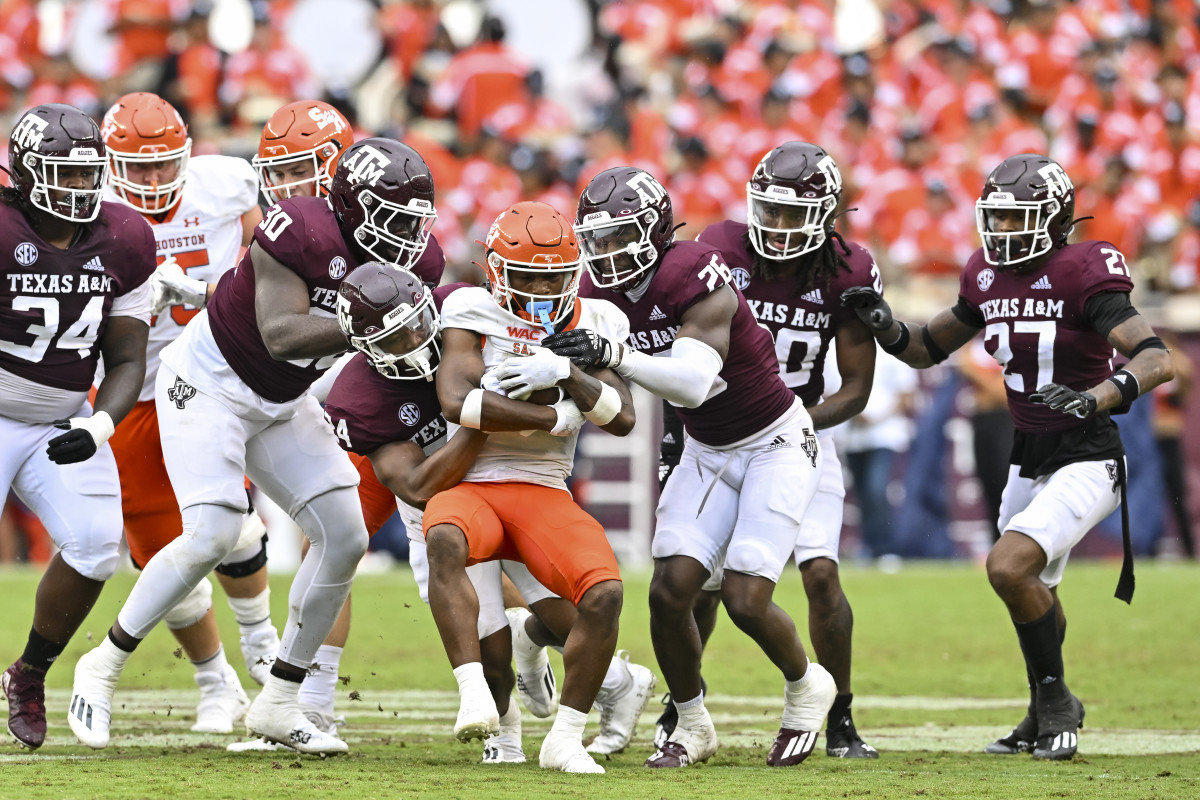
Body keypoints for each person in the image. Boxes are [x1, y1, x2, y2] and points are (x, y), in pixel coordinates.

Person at [66, 137, 441, 755]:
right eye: (395, 215)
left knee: (346, 534)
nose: (409, 235)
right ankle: (101, 665)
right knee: (213, 532)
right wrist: (361, 324)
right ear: (350, 206)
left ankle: (281, 699)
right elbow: (280, 333)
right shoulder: (300, 230)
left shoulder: (420, 262)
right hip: (210, 382)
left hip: (282, 402)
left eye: (416, 219)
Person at [840, 153, 1174, 760]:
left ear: (1053, 220)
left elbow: (1155, 358)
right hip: (1029, 455)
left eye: (1016, 220)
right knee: (1033, 585)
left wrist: (1096, 398)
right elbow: (926, 349)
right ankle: (1041, 708)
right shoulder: (985, 275)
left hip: (1089, 454)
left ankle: (1056, 704)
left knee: (1007, 567)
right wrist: (886, 326)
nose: (1001, 233)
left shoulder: (1082, 270)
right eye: (994, 220)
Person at [543, 167, 836, 768]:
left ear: (652, 230)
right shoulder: (597, 296)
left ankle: (809, 685)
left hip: (775, 441)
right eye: (593, 240)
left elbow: (696, 384)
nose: (604, 254)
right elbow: (600, 379)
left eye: (617, 237)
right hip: (707, 449)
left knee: (746, 595)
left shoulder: (691, 272)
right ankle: (692, 721)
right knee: (670, 592)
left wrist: (618, 355)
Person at [325, 260, 657, 763]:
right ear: (364, 348)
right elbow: (419, 486)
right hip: (440, 512)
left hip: (520, 490)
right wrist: (515, 417)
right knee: (488, 657)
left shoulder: (468, 316)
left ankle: (604, 677)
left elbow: (540, 365)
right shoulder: (361, 395)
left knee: (567, 615)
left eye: (417, 323)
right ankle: (506, 732)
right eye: (393, 338)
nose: (413, 340)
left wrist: (566, 389)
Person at [653, 142, 881, 758]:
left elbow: (856, 389)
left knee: (821, 574)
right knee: (692, 581)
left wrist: (789, 424)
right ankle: (682, 709)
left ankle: (839, 717)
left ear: (828, 214)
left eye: (792, 213)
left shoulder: (850, 269)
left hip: (799, 433)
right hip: (715, 431)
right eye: (769, 211)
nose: (777, 226)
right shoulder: (718, 250)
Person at [426, 201, 638, 773]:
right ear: (497, 270)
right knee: (448, 543)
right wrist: (560, 416)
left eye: (554, 274)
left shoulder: (597, 319)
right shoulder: (471, 308)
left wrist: (569, 372)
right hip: (471, 480)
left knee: (605, 593)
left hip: (544, 487)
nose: (544, 286)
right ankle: (477, 696)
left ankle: (565, 737)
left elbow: (623, 418)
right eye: (529, 274)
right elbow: (458, 402)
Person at [100, 91, 275, 735]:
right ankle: (213, 679)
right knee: (156, 551)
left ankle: (260, 642)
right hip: (132, 391)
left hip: (215, 376)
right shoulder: (90, 207)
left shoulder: (226, 185)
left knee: (233, 527)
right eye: (136, 167)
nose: (150, 179)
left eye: (162, 164)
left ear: (187, 154)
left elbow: (272, 260)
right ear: (111, 163)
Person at [1, 103, 156, 750]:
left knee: (96, 545)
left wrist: (99, 426)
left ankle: (29, 674)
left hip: (62, 413)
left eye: (89, 176)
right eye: (64, 176)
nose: (80, 189)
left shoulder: (126, 237)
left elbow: (125, 357)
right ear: (26, 174)